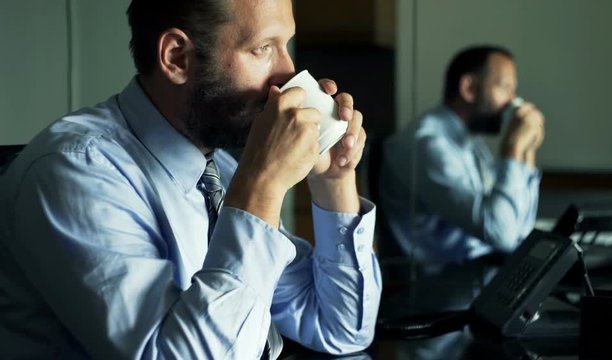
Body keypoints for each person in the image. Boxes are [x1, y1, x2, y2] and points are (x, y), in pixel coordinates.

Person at [0, 0, 381, 358]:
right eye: (263, 48)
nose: (289, 75)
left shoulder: (222, 171)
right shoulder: (73, 175)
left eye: (286, 45)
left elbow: (340, 327)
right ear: (177, 57)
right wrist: (262, 187)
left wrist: (334, 179)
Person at [378, 45, 544, 309]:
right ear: (469, 88)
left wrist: (527, 151)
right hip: (437, 299)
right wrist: (512, 149)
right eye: (505, 88)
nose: (514, 101)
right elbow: (501, 233)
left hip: (475, 282)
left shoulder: (468, 142)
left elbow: (518, 233)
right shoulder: (428, 144)